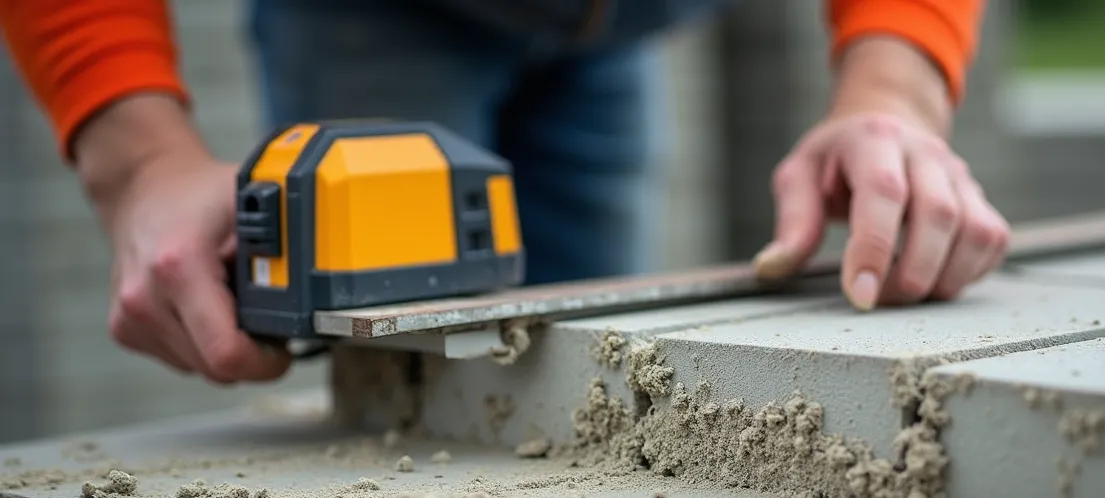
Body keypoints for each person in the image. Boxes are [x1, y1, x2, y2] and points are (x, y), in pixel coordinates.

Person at [0, 0, 1010, 386]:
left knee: (573, 384)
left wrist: (894, 89)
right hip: (376, 21)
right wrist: (135, 157)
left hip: (625, 27)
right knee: (400, 397)